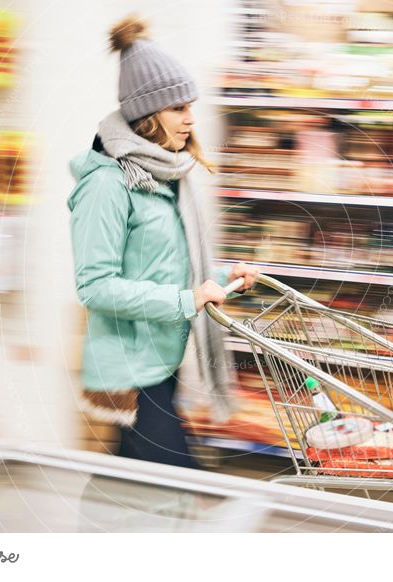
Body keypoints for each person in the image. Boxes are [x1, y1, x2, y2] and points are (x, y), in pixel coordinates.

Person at [67, 14, 258, 469]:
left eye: (190, 105)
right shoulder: (108, 184)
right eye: (178, 108)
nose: (191, 119)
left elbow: (166, 267)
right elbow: (94, 287)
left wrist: (221, 278)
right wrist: (187, 299)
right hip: (129, 369)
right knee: (181, 482)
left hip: (163, 359)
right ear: (147, 114)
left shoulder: (165, 175)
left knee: (135, 482)